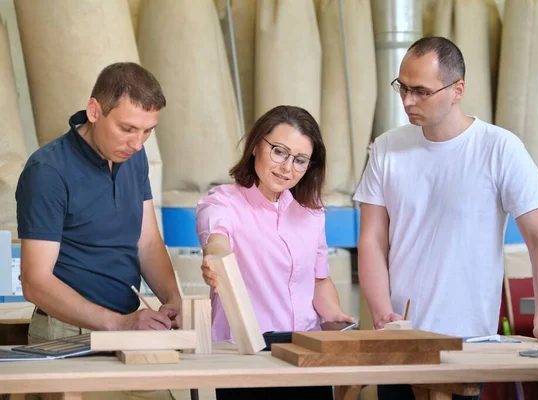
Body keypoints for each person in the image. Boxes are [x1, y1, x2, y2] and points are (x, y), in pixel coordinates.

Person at [353, 37, 538, 400]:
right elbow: (372, 239)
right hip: (399, 338)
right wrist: (382, 312)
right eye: (402, 88)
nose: (408, 101)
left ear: (458, 90)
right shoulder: (387, 148)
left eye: (421, 91)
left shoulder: (499, 148)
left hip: (467, 341)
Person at [15, 62, 180, 400]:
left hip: (128, 327)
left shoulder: (134, 157)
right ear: (94, 110)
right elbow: (35, 282)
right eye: (127, 128)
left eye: (148, 130)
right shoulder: (47, 171)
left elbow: (147, 241)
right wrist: (118, 325)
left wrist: (172, 299)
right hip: (67, 333)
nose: (137, 142)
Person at [196, 105, 353, 400]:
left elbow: (318, 280)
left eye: (300, 160)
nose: (286, 168)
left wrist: (336, 320)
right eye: (279, 152)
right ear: (257, 145)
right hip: (247, 356)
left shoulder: (311, 213)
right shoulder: (222, 202)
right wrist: (215, 261)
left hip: (307, 353)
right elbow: (217, 241)